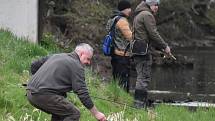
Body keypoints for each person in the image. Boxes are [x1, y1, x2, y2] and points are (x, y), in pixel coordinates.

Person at [26, 43, 106, 121]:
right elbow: (82, 92)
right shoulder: (77, 66)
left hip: (30, 92)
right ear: (81, 54)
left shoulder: (57, 56)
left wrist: (37, 82)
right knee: (73, 114)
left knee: (60, 114)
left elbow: (34, 65)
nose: (89, 62)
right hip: (43, 94)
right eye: (88, 59)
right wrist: (96, 113)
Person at [132, 0, 171, 108]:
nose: (156, 7)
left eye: (158, 5)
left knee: (141, 76)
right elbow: (153, 34)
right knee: (143, 77)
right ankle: (139, 105)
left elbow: (146, 35)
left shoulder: (139, 13)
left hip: (137, 49)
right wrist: (165, 46)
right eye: (155, 5)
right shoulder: (147, 15)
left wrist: (158, 48)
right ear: (149, 4)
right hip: (143, 51)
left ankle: (139, 104)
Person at [106, 0, 132, 92]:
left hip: (114, 53)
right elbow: (131, 37)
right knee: (123, 80)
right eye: (129, 8)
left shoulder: (112, 19)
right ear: (124, 9)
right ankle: (123, 99)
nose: (130, 10)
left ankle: (115, 96)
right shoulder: (122, 21)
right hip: (122, 54)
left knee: (116, 78)